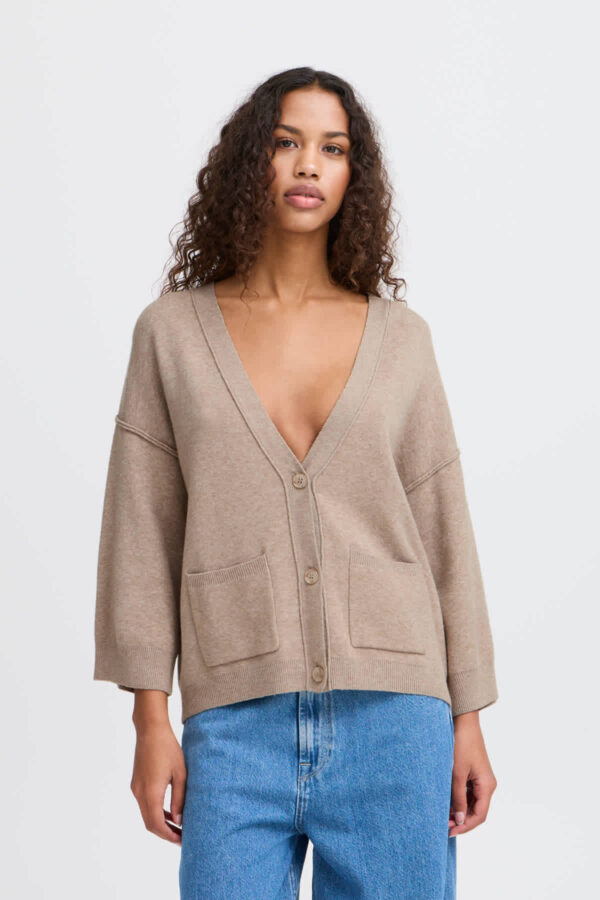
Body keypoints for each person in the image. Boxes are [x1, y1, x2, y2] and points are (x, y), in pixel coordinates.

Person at [93, 66, 499, 899]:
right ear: (253, 161)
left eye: (333, 148)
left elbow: (443, 528)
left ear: (354, 175)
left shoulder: (402, 339)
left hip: (398, 719)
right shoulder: (172, 334)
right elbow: (142, 529)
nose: (309, 164)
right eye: (287, 142)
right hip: (234, 722)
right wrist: (148, 717)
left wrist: (468, 718)